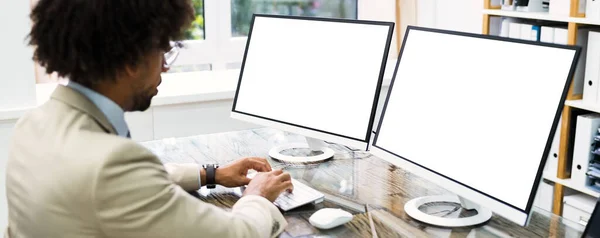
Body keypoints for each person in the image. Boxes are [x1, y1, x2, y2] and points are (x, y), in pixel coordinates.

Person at [4, 0, 293, 237]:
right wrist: (256, 195)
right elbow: (236, 234)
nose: (165, 68)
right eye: (163, 53)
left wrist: (209, 173)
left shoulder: (33, 125)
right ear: (131, 61)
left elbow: (116, 187)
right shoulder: (110, 165)